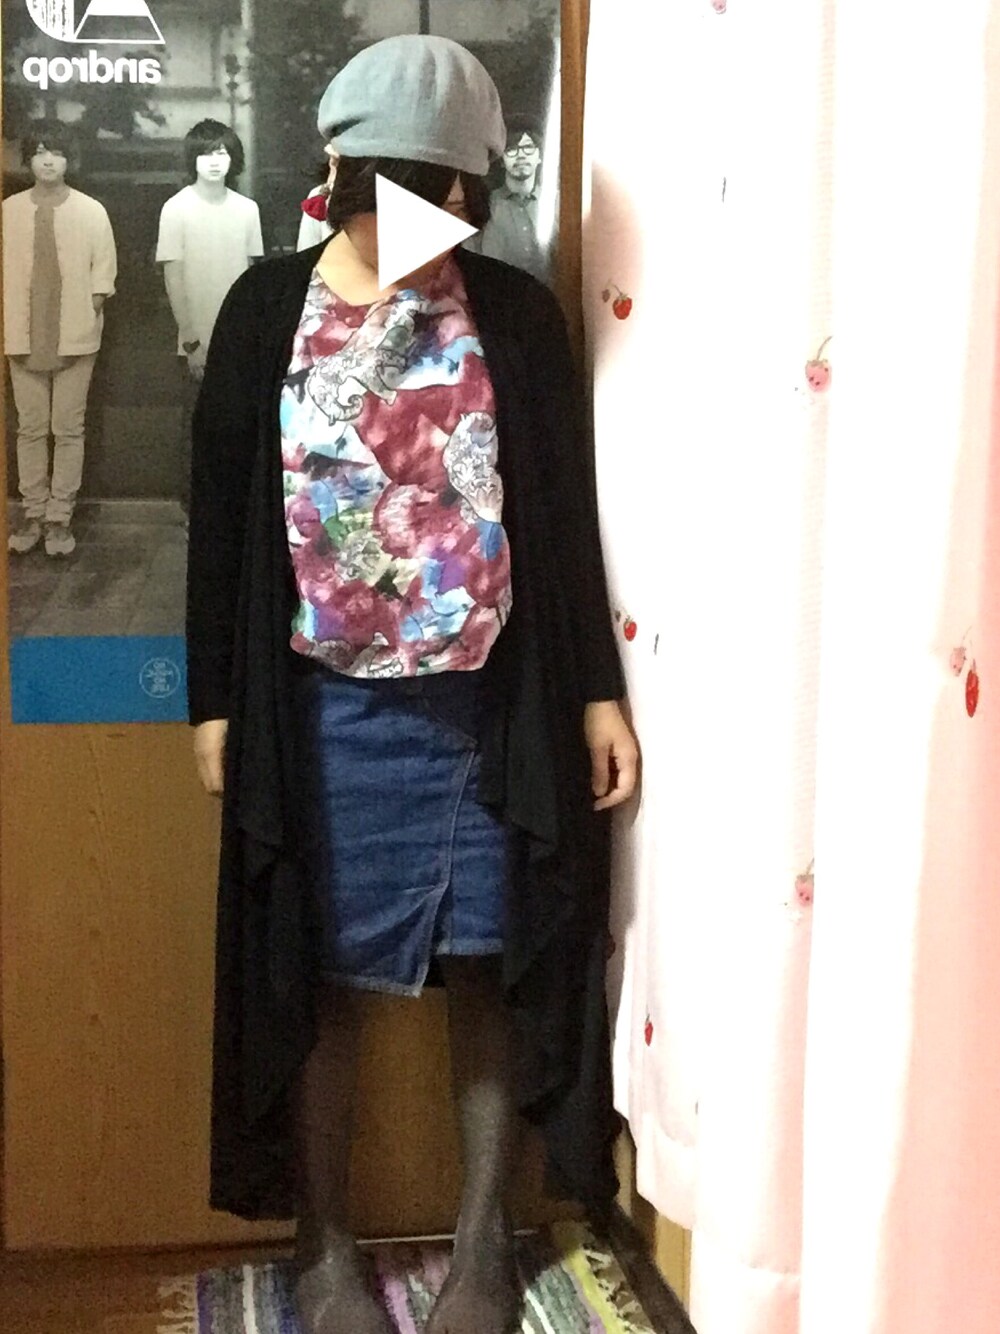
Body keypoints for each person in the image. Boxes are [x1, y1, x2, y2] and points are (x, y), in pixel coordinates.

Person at [186, 35, 638, 1334]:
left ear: (465, 192)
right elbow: (221, 513)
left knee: (488, 959)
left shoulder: (513, 317)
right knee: (318, 968)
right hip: (318, 704)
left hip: (488, 704)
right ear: (339, 172)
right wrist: (214, 701)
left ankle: (485, 1239)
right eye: (386, 193)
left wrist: (595, 692)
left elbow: (560, 517)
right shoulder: (265, 309)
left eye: (439, 200)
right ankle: (323, 1244)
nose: (410, 227)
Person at [4, 121, 117, 558]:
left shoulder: (91, 211)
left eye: (56, 152)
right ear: (28, 159)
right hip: (22, 333)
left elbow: (104, 272)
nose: (48, 160)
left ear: (70, 160)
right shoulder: (9, 210)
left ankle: (59, 517)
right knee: (30, 428)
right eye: (39, 152)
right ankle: (32, 513)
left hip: (73, 334)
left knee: (69, 428)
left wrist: (91, 305)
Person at [156, 119, 263, 512]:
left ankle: (233, 508)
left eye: (222, 152)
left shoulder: (247, 210)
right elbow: (173, 276)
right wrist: (191, 341)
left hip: (239, 341)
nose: (215, 161)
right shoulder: (176, 208)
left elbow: (252, 276)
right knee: (197, 427)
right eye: (206, 153)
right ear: (193, 159)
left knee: (239, 426)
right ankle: (194, 509)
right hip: (195, 340)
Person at [471, 118, 550, 283]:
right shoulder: (484, 206)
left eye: (528, 147)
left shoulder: (556, 206)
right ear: (501, 160)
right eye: (512, 149)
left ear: (540, 156)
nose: (521, 155)